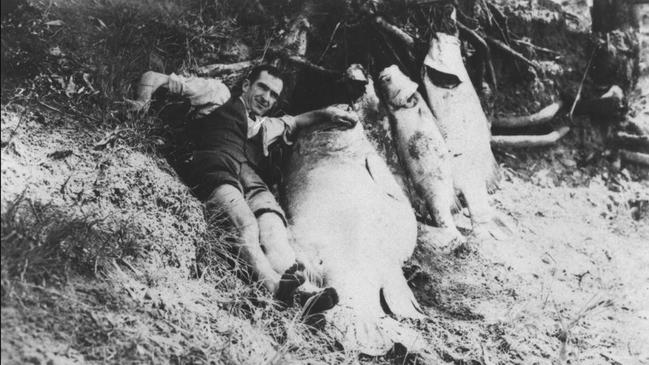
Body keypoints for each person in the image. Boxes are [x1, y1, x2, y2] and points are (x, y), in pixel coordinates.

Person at [130, 65, 358, 308]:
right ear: (247, 84)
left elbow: (297, 120)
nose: (266, 98)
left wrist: (326, 113)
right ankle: (272, 285)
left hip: (251, 182)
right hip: (215, 166)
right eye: (263, 87)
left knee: (273, 231)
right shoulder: (217, 95)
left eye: (273, 95)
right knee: (246, 224)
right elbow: (152, 77)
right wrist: (141, 104)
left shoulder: (267, 127)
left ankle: (304, 293)